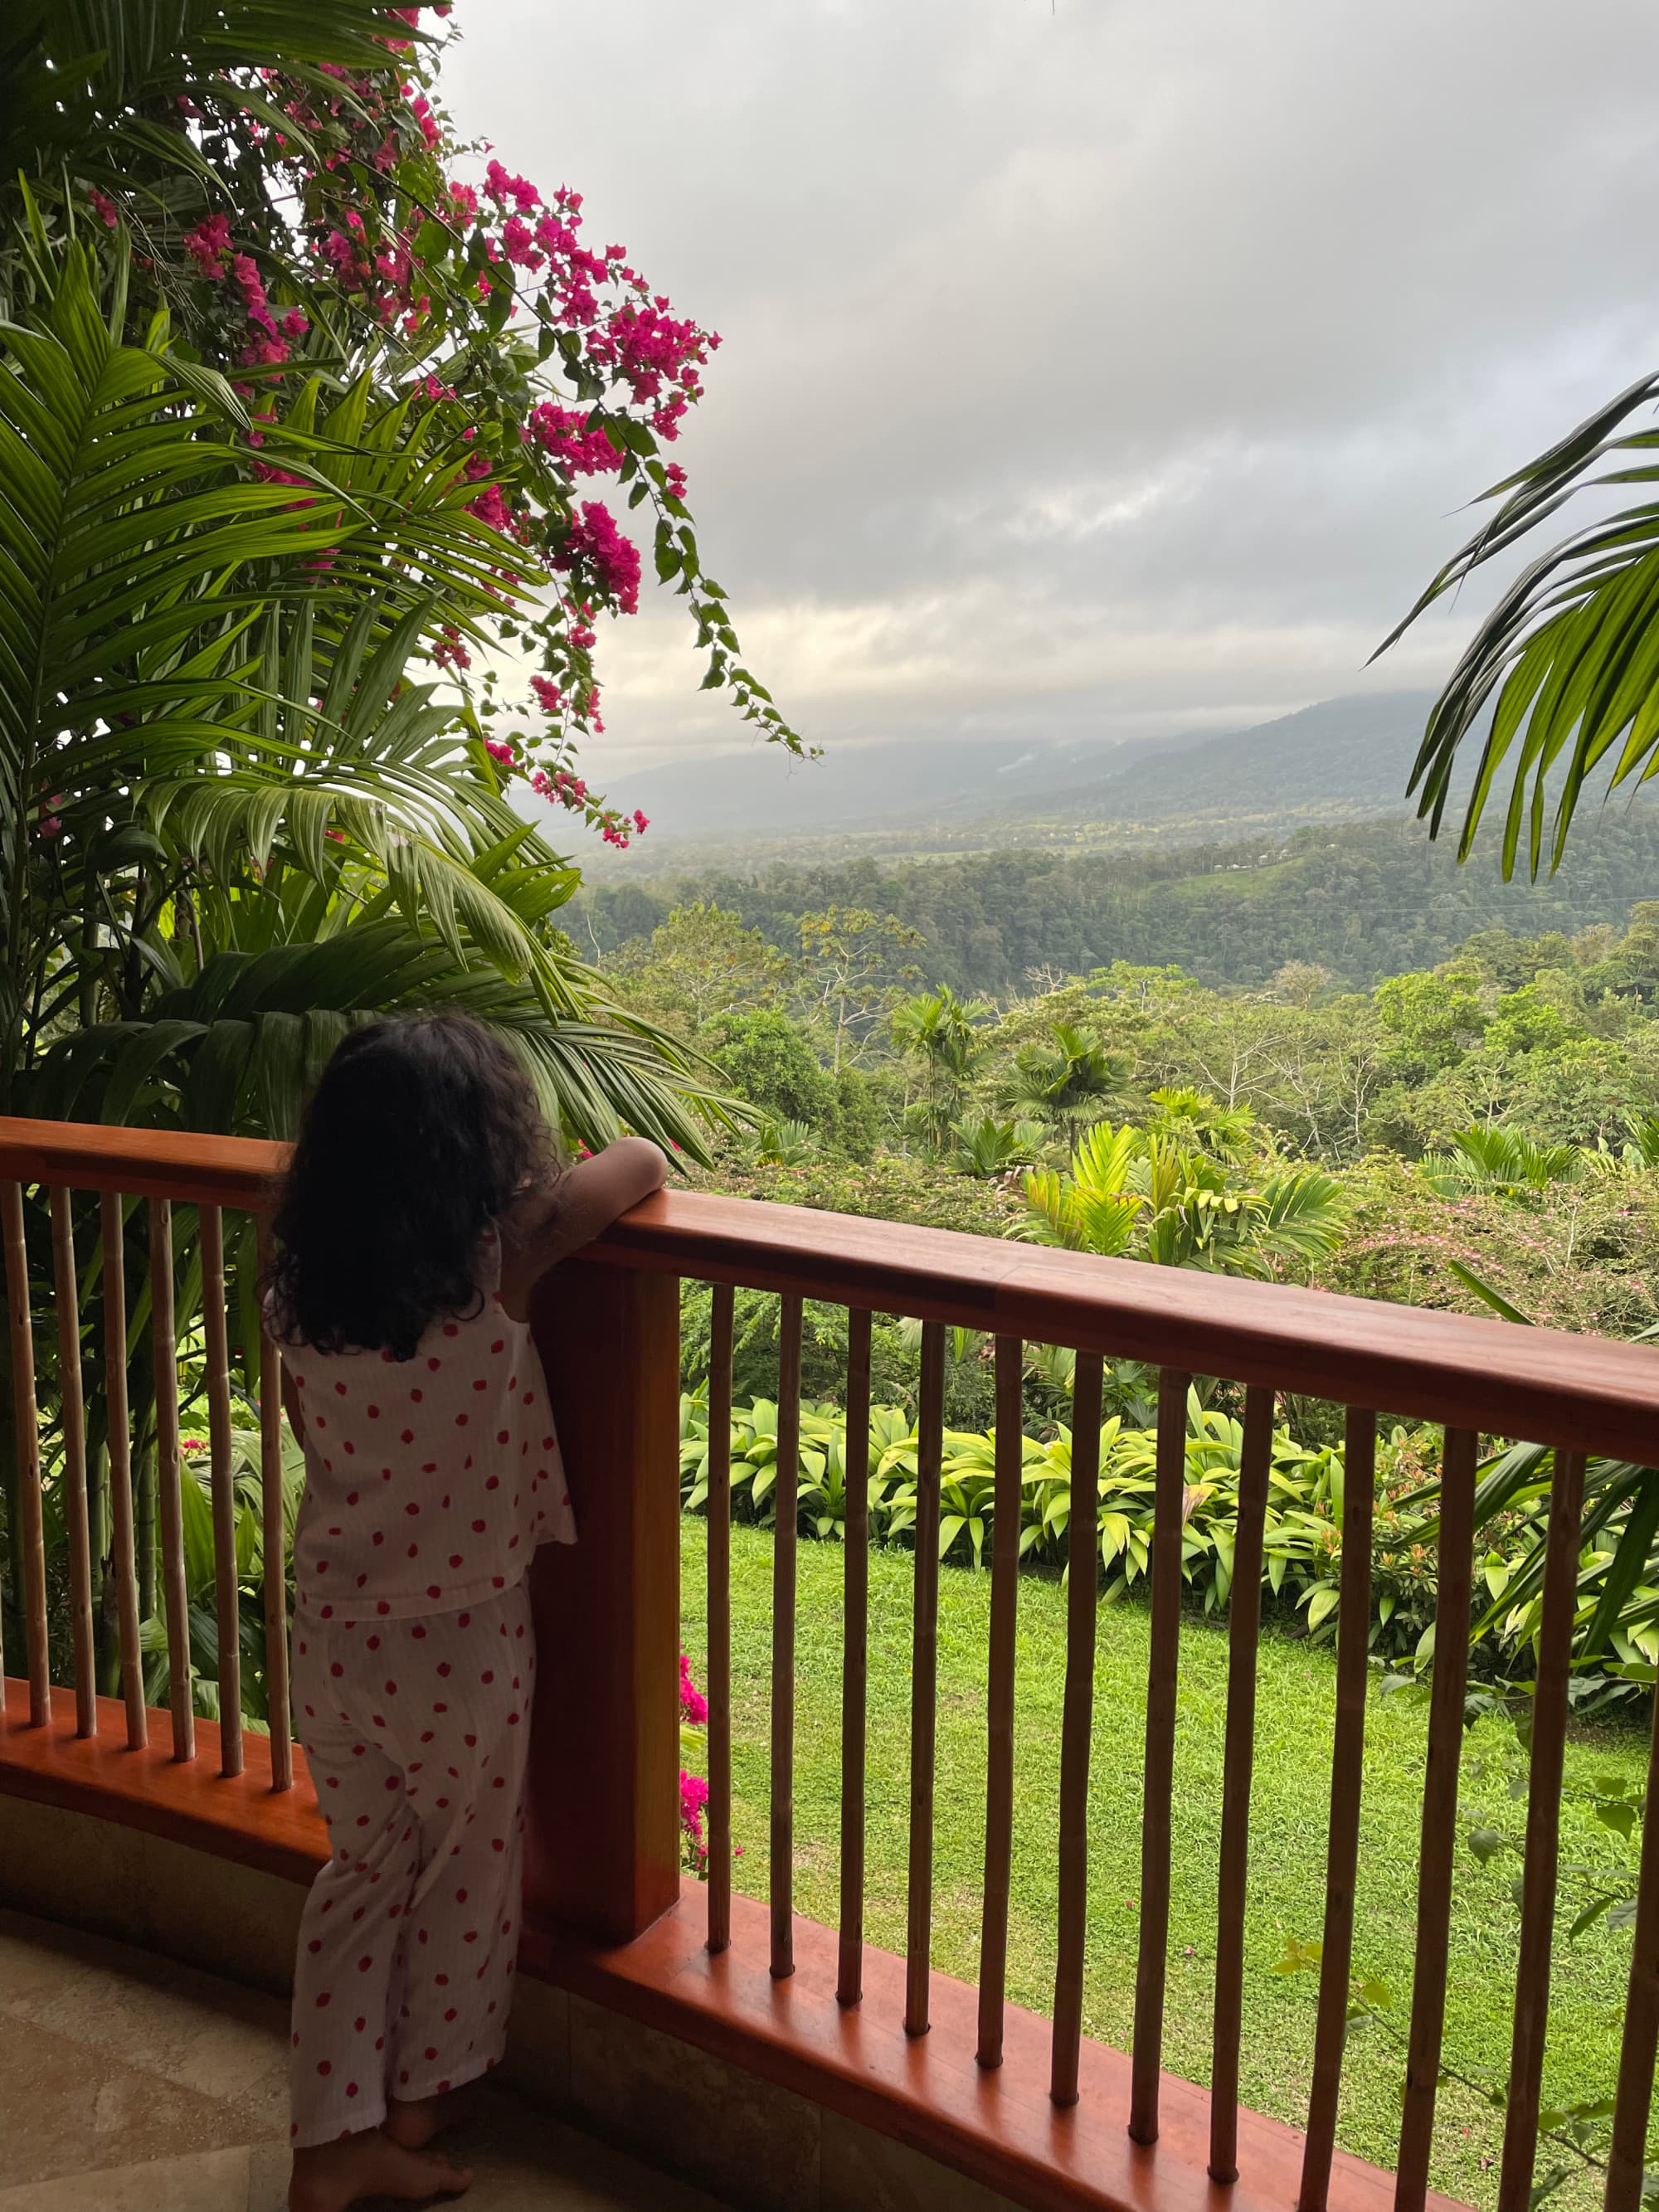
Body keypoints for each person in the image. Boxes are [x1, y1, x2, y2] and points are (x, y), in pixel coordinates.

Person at [267, 1014, 667, 2212]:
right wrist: (547, 1180)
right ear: (476, 1153)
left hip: (334, 1632)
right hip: (462, 1639)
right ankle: (417, 2108)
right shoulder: (501, 1263)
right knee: (462, 1876)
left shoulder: (297, 1294)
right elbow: (640, 1163)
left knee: (363, 1869)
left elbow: (305, 1431)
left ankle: (326, 2144)